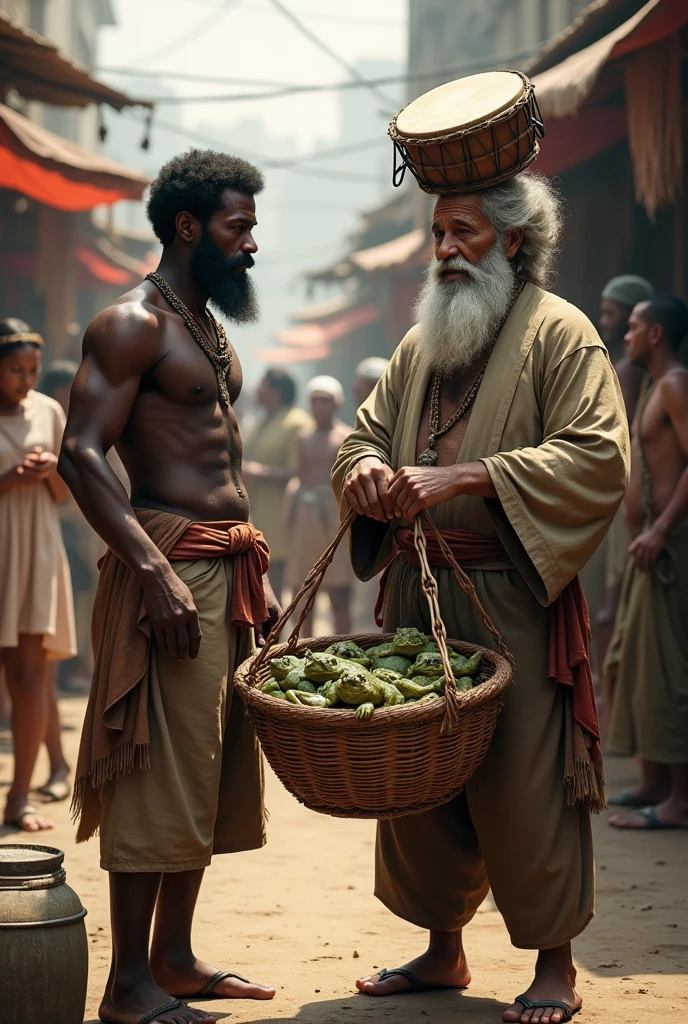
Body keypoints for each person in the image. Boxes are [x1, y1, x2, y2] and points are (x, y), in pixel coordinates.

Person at [332, 171, 629, 1023]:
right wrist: (366, 472)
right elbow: (362, 434)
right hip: (421, 593)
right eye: (437, 234)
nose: (445, 250)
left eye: (462, 232)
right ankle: (442, 951)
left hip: (513, 593)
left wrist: (469, 474)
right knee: (421, 778)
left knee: (525, 779)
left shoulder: (563, 335)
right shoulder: (421, 343)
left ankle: (556, 965)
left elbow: (599, 456)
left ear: (511, 240)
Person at [58, 149, 279, 1024]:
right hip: (173, 570)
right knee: (157, 774)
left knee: (209, 769)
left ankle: (175, 960)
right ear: (188, 228)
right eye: (240, 226)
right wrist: (153, 573)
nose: (253, 244)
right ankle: (126, 988)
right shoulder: (131, 323)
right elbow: (82, 454)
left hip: (224, 570)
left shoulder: (208, 328)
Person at [606, 295, 688, 830]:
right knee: (633, 663)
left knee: (668, 672)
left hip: (669, 551)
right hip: (646, 551)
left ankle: (679, 801)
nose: (627, 335)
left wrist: (660, 529)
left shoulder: (677, 385)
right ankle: (655, 782)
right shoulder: (654, 388)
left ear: (655, 334)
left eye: (634, 326)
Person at [0, 319, 76, 832]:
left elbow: (66, 492)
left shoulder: (50, 412)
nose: (26, 379)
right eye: (15, 370)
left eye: (33, 370)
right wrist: (10, 477)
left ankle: (19, 798)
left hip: (34, 550)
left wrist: (48, 471)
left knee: (30, 677)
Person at [593, 275, 655, 710]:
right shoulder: (625, 366)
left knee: (611, 605)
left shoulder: (629, 371)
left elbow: (621, 437)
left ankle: (610, 701)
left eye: (613, 314)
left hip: (621, 499)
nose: (604, 321)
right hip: (619, 497)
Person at [286, 375, 354, 636]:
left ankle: (344, 646)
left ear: (336, 403)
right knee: (304, 587)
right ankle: (303, 646)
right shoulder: (303, 438)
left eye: (325, 401)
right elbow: (300, 475)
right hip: (307, 515)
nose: (319, 407)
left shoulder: (346, 436)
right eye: (315, 401)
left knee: (339, 590)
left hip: (335, 514)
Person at [242, 368, 312, 604]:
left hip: (285, 514)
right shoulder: (262, 421)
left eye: (262, 384)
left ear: (276, 391)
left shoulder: (296, 423)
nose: (256, 390)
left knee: (280, 577)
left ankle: (283, 634)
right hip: (260, 512)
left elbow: (302, 471)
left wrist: (257, 472)